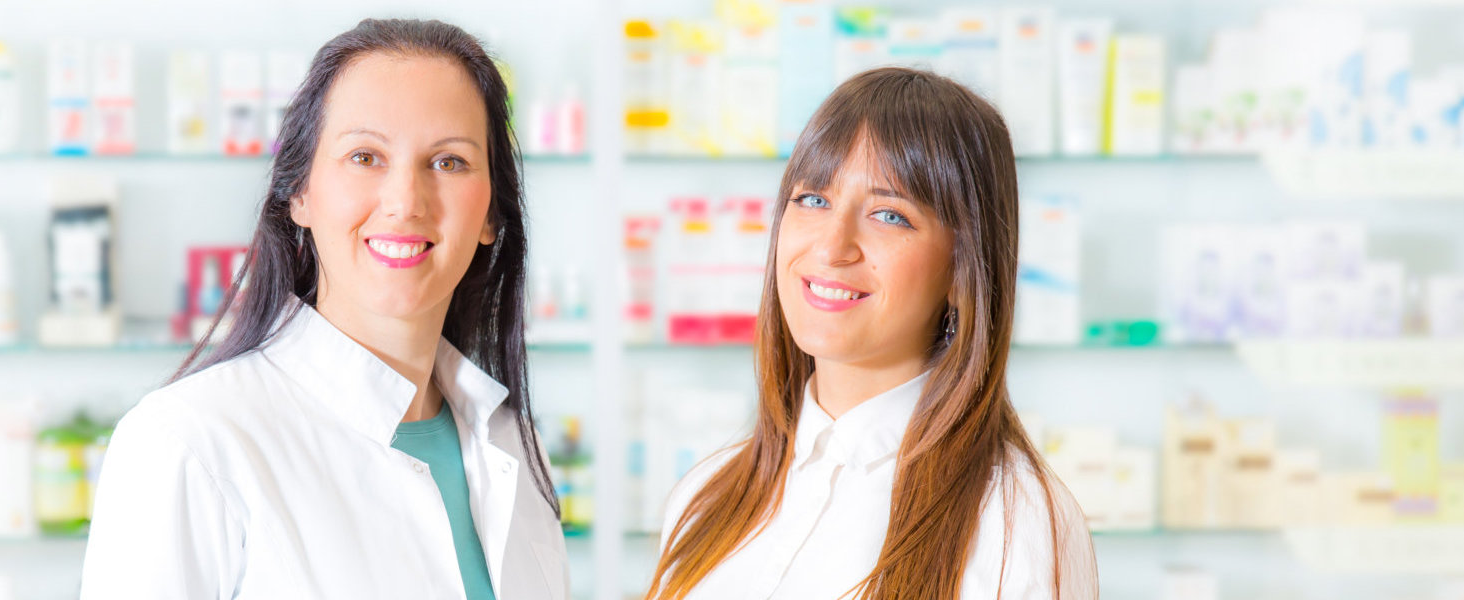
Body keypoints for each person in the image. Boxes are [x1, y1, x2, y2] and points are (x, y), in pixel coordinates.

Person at [80, 18, 566, 600]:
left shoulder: (514, 445)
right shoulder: (190, 443)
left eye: (449, 162)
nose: (406, 202)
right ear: (300, 194)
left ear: (491, 213)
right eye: (365, 156)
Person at [646, 67, 1098, 600]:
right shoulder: (705, 496)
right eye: (813, 200)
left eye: (889, 214)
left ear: (962, 269)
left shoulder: (1015, 524)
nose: (834, 247)